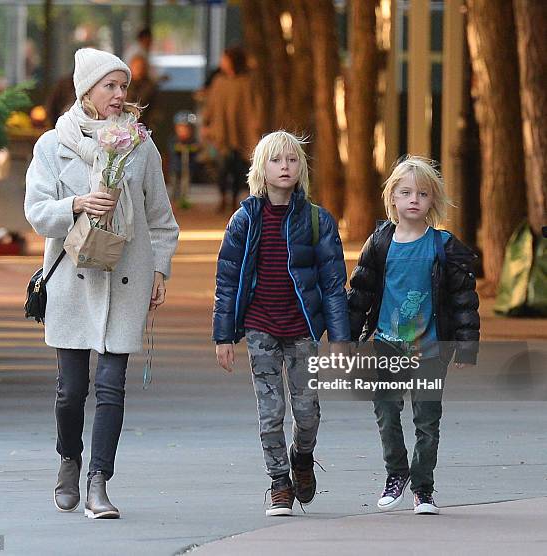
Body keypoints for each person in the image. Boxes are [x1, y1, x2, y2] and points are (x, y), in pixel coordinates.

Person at [24, 48, 179, 520]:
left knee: (112, 386)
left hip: (126, 278)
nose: (118, 96)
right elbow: (36, 213)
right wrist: (77, 205)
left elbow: (162, 221)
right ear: (85, 90)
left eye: (123, 87)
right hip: (73, 279)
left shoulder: (140, 146)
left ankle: (99, 482)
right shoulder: (53, 145)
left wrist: (159, 270)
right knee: (71, 391)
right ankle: (69, 460)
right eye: (109, 86)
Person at [212, 131, 350, 516]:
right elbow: (226, 279)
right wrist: (224, 335)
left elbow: (334, 283)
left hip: (302, 328)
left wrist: (340, 338)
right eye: (276, 161)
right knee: (270, 412)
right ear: (261, 168)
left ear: (301, 168)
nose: (285, 167)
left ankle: (302, 459)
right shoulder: (245, 220)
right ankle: (278, 482)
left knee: (307, 412)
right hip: (260, 327)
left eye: (292, 160)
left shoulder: (317, 220)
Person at [347, 155, 480, 515]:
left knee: (427, 420)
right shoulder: (379, 243)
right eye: (405, 192)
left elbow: (463, 298)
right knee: (386, 413)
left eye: (422, 194)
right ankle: (396, 473)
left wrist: (466, 346)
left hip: (431, 348)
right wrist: (346, 339)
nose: (414, 200)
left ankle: (423, 488)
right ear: (392, 198)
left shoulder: (443, 246)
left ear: (432, 201)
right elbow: (360, 293)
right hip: (387, 344)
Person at [202, 46, 260, 212]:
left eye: (225, 59)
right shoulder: (219, 82)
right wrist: (206, 123)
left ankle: (234, 198)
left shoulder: (247, 82)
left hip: (240, 132)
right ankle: (222, 196)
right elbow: (211, 105)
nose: (222, 62)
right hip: (221, 131)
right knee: (222, 166)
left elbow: (253, 106)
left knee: (237, 166)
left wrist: (254, 127)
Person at [126, 54, 158, 128]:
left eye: (141, 67)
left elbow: (155, 111)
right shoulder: (124, 84)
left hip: (144, 125)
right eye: (136, 67)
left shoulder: (150, 87)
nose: (139, 70)